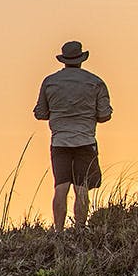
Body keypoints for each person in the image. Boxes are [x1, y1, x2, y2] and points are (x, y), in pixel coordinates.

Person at [34, 40, 112, 230]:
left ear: (64, 60)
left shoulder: (50, 82)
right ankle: (79, 229)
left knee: (60, 187)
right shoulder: (96, 82)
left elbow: (40, 113)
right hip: (85, 141)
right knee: (82, 188)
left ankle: (58, 231)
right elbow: (104, 115)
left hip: (60, 142)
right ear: (81, 59)